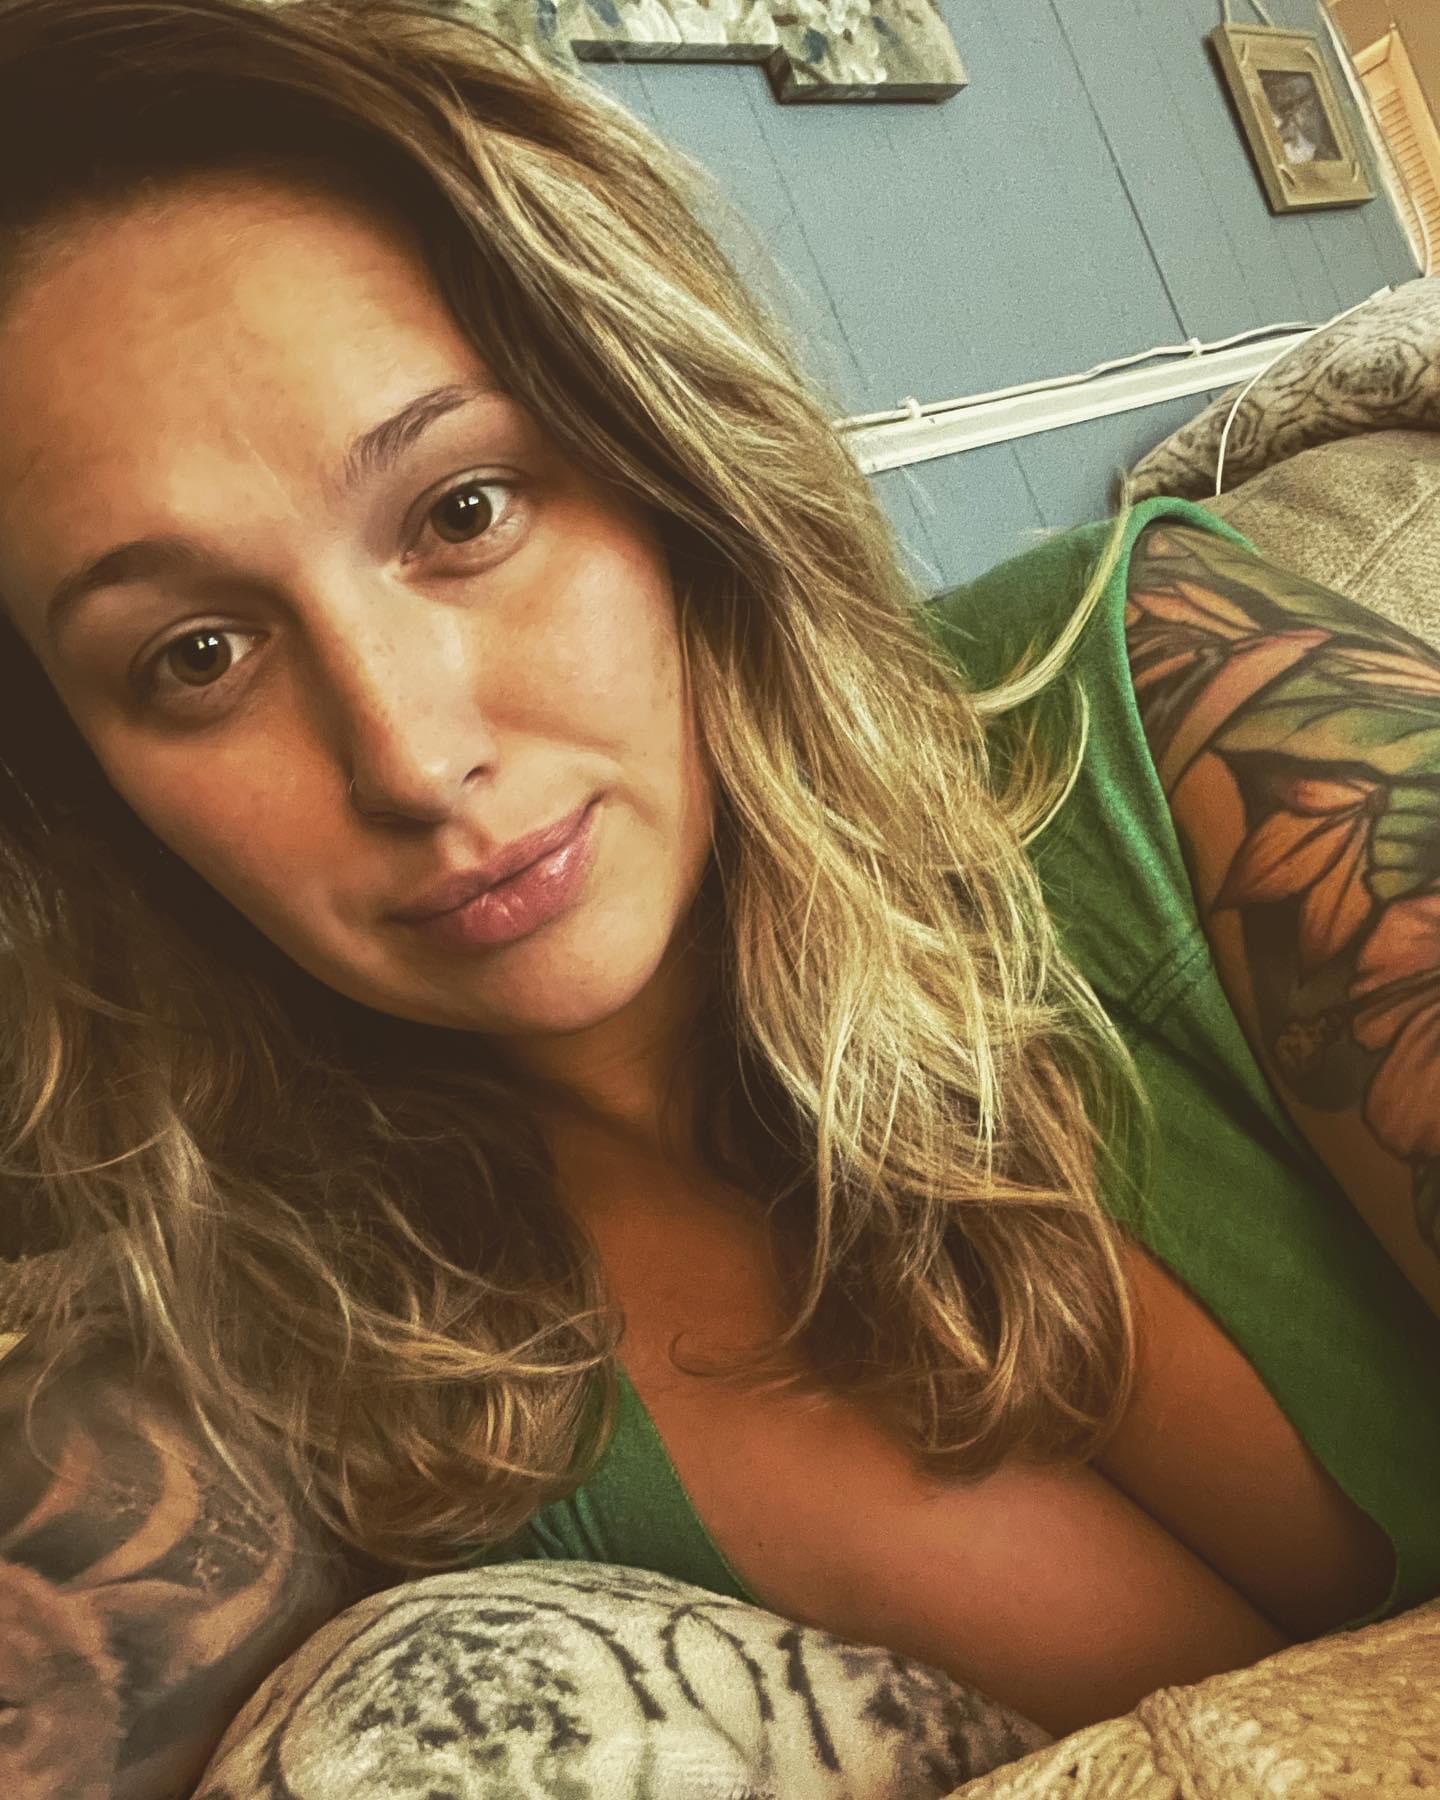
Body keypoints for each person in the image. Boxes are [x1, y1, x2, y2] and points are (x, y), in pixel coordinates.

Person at [0, 0, 1435, 1792]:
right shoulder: (304, 1338)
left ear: (665, 459)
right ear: (81, 795)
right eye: (197, 654)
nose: (412, 756)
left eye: (464, 511)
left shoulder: (1181, 708)